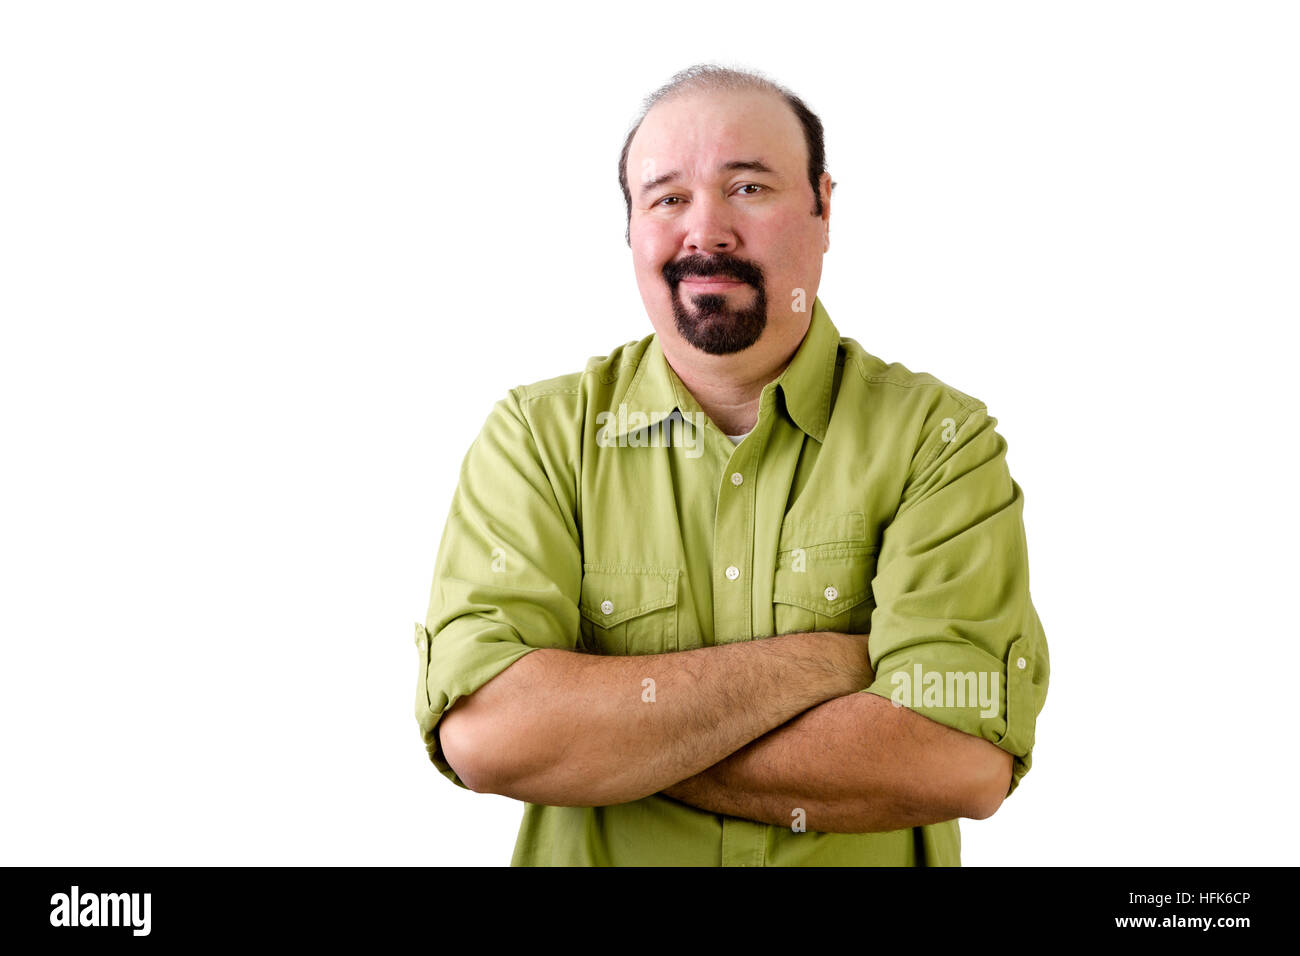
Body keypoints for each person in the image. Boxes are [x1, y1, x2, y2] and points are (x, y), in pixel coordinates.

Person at [413, 63, 1049, 866]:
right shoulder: (537, 439)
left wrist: (617, 744)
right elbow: (494, 735)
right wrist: (829, 662)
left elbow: (953, 757)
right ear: (633, 229)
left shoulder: (939, 442)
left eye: (748, 188)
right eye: (667, 197)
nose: (705, 231)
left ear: (824, 209)